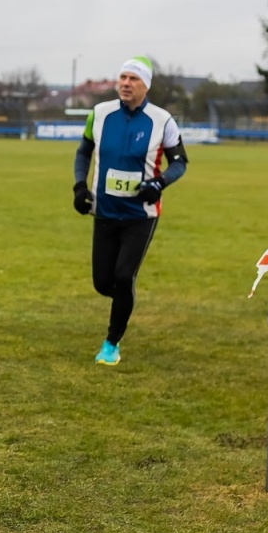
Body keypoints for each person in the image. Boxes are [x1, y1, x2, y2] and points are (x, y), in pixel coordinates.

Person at [71, 57, 189, 366]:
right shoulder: (99, 114)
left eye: (133, 78)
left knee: (123, 277)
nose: (125, 83)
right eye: (122, 77)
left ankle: (111, 343)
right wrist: (80, 187)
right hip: (104, 212)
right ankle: (125, 300)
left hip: (141, 215)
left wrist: (159, 183)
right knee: (102, 283)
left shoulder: (162, 120)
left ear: (145, 85)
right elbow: (83, 153)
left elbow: (180, 163)